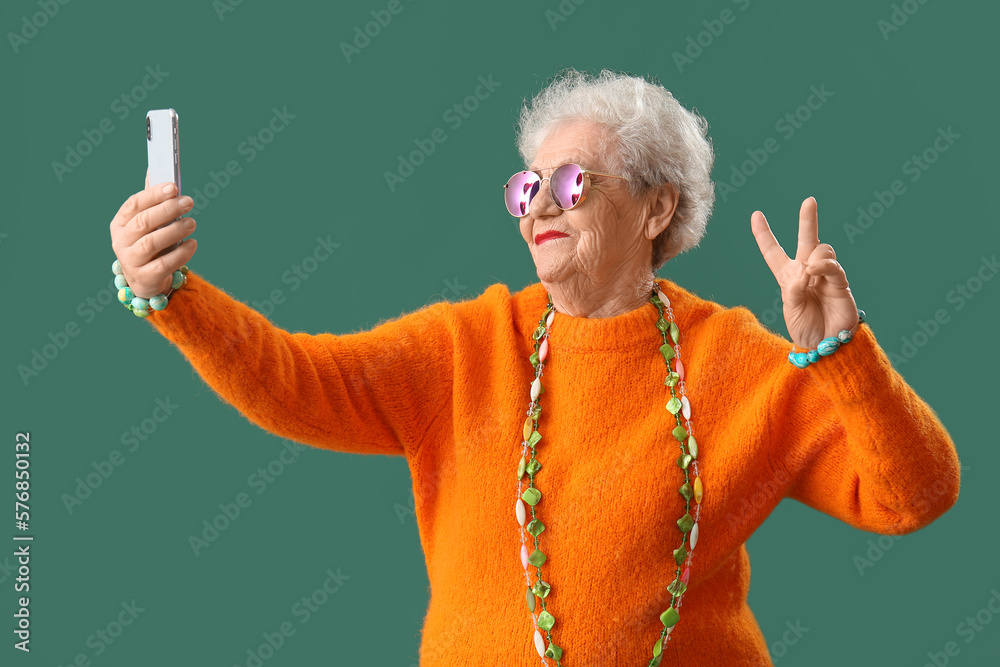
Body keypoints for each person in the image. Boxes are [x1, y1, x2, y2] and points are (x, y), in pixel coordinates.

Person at [108, 69, 961, 666]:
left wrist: (840, 354)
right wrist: (173, 296)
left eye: (573, 181)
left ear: (657, 204)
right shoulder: (465, 347)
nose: (540, 205)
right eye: (526, 187)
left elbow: (915, 496)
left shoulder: (738, 360)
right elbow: (297, 380)